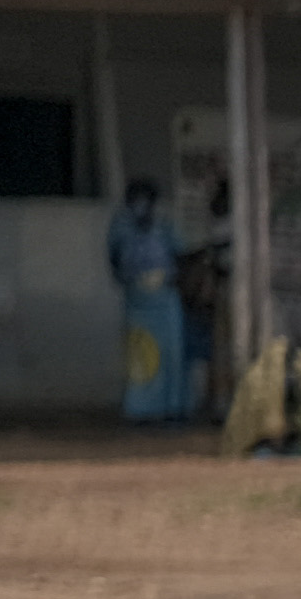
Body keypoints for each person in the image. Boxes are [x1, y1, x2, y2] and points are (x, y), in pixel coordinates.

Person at [104, 176, 187, 423]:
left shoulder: (164, 226)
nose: (141, 204)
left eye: (145, 198)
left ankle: (172, 407)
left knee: (171, 354)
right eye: (135, 199)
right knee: (141, 353)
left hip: (165, 297)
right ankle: (141, 409)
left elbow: (180, 255)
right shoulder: (120, 226)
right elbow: (113, 258)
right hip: (137, 298)